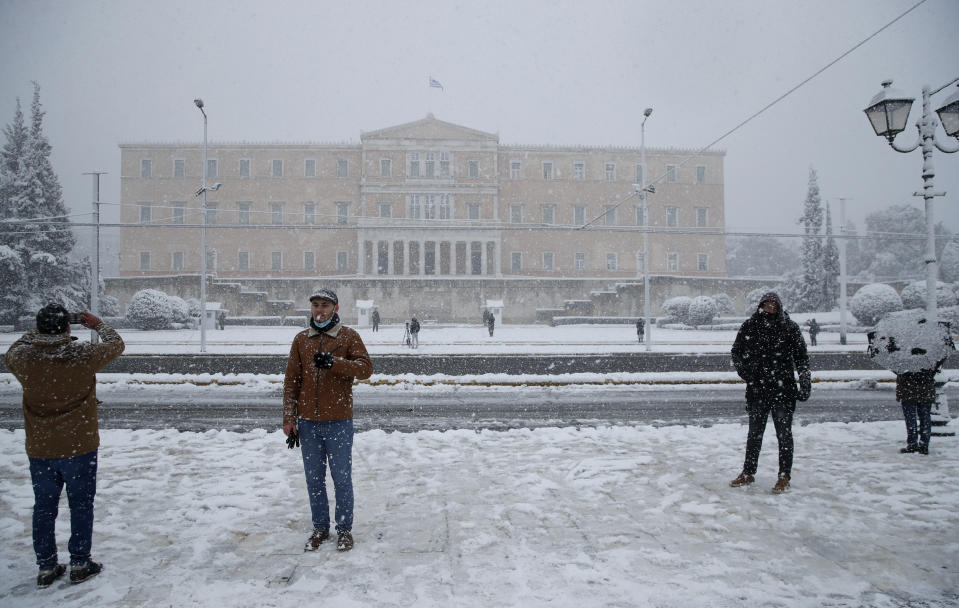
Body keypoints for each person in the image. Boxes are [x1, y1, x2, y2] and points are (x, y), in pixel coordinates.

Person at [4, 305, 125, 587]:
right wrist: (97, 324)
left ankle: (46, 566)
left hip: (40, 447)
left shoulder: (23, 358)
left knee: (44, 507)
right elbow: (116, 344)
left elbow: (13, 349)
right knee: (81, 505)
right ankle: (80, 562)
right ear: (68, 327)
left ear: (40, 327)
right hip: (79, 445)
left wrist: (39, 330)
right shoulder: (81, 355)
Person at [283, 289, 373, 552]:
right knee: (314, 478)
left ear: (335, 308)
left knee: (341, 478)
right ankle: (320, 528)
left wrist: (335, 363)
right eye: (315, 306)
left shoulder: (348, 336)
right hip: (308, 421)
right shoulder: (301, 340)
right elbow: (292, 382)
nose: (319, 310)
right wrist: (290, 418)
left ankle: (344, 529)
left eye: (324, 305)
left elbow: (366, 369)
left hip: (338, 420)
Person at [729, 292, 810, 494]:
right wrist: (747, 373)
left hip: (784, 389)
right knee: (754, 434)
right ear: (761, 306)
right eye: (767, 304)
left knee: (784, 435)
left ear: (779, 307)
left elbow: (801, 357)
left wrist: (805, 381)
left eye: (774, 305)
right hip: (758, 389)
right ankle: (748, 472)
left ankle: (784, 476)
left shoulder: (789, 328)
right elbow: (736, 352)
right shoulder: (750, 326)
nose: (771, 308)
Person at [895, 359, 945, 455]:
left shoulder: (902, 357)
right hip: (925, 390)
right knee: (925, 418)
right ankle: (924, 445)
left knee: (910, 418)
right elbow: (936, 368)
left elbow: (898, 371)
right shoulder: (930, 356)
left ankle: (912, 444)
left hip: (907, 390)